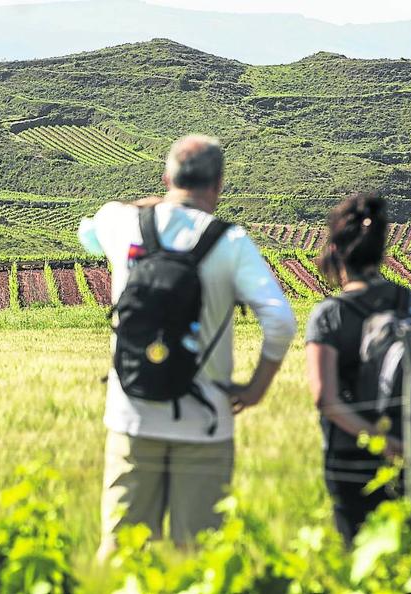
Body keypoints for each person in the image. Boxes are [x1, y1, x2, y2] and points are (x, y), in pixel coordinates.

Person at [78, 135, 297, 560]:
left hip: (132, 415)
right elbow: (281, 321)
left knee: (124, 554)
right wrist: (256, 388)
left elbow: (88, 235)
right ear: (218, 185)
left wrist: (145, 206)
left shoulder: (120, 223)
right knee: (199, 557)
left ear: (167, 178)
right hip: (205, 420)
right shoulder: (230, 243)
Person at [305, 193, 411, 546]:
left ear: (336, 252)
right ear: (381, 252)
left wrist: (381, 442)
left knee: (360, 558)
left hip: (352, 455)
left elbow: (325, 398)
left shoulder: (329, 315)